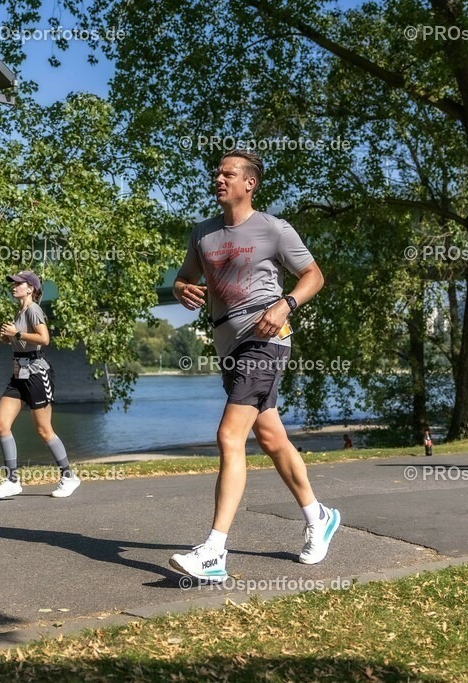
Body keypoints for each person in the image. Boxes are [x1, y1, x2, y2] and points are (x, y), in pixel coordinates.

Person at [169, 149, 339, 582]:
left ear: (250, 183)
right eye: (217, 172)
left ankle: (214, 552)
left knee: (230, 435)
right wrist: (181, 289)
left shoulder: (274, 229)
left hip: (266, 340)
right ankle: (318, 517)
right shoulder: (203, 233)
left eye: (228, 173)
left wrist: (286, 305)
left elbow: (314, 276)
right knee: (270, 437)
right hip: (228, 345)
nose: (219, 178)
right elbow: (184, 277)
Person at [0, 270, 80, 499]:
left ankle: (69, 476)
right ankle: (12, 481)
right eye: (13, 284)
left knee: (44, 430)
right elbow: (22, 340)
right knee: (2, 425)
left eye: (18, 284)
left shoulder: (33, 309)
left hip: (37, 374)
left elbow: (44, 339)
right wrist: (9, 337)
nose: (13, 287)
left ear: (30, 288)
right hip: (18, 374)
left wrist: (17, 333)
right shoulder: (20, 312)